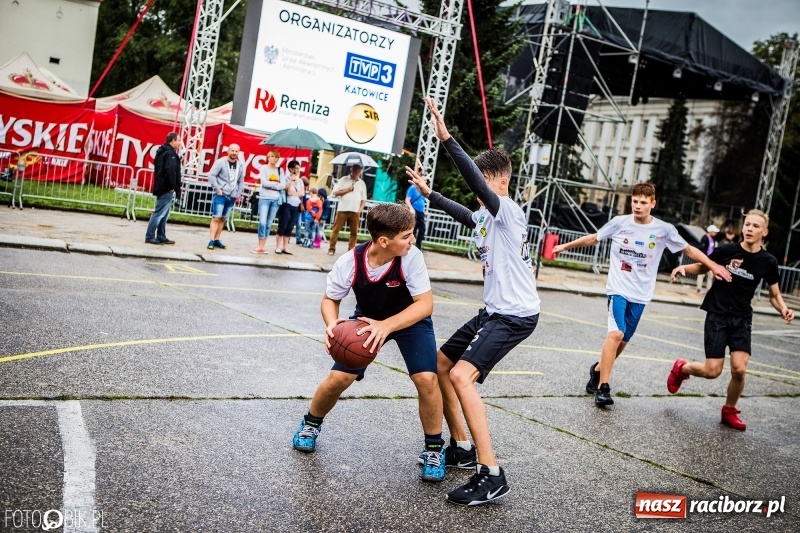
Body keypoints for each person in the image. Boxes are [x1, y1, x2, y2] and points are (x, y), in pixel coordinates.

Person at [405, 98, 541, 505]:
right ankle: (461, 448)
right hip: (493, 311)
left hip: (515, 316)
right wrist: (432, 194)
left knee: (462, 377)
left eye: (484, 182)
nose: (479, 190)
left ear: (501, 181)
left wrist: (446, 138)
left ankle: (492, 472)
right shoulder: (485, 216)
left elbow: (477, 190)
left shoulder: (509, 212)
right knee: (442, 365)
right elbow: (466, 213)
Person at [292, 203, 446, 482]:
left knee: (427, 379)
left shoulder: (411, 257)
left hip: (410, 320)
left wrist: (386, 326)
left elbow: (425, 305)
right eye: (407, 236)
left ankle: (434, 449)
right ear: (384, 241)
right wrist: (332, 325)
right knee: (339, 378)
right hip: (367, 318)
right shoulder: (350, 261)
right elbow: (330, 300)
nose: (413, 240)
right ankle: (310, 424)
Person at [552, 182, 732, 408]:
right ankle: (603, 388)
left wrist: (713, 266)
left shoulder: (663, 230)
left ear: (652, 204)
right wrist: (565, 247)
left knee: (623, 341)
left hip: (641, 294)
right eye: (635, 201)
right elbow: (593, 238)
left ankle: (597, 370)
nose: (638, 206)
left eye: (643, 202)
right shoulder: (619, 223)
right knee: (615, 334)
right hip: (618, 289)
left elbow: (690, 250)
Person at [668, 209, 793, 431]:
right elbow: (702, 266)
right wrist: (683, 268)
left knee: (739, 370)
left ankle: (729, 410)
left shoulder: (768, 261)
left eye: (755, 226)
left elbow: (774, 295)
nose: (749, 229)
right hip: (717, 313)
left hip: (742, 318)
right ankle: (682, 368)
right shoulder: (726, 250)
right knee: (712, 371)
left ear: (764, 231)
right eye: (747, 225)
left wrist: (783, 308)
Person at [206, 143, 245, 250]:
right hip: (221, 194)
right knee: (216, 218)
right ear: (228, 151)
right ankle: (211, 240)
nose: (234, 153)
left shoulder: (240, 165)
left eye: (236, 151)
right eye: (232, 150)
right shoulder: (220, 162)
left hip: (232, 195)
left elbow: (241, 180)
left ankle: (217, 239)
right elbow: (211, 175)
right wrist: (217, 189)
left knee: (223, 219)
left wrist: (238, 193)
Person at [145, 132, 181, 245]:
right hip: (166, 187)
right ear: (173, 141)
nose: (180, 143)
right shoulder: (170, 154)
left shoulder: (162, 151)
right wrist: (172, 186)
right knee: (159, 213)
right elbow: (170, 171)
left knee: (164, 214)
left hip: (161, 186)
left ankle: (161, 236)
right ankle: (150, 236)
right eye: (178, 140)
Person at [327, 164, 367, 256]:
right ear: (351, 170)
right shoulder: (343, 180)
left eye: (358, 172)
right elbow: (335, 193)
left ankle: (351, 250)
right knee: (336, 229)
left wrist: (360, 210)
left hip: (355, 211)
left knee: (354, 232)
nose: (357, 173)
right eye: (355, 171)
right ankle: (332, 248)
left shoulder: (361, 183)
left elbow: (363, 199)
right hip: (343, 209)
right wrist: (348, 190)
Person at [252, 150, 286, 254]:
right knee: (262, 222)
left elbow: (283, 184)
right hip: (264, 198)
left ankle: (262, 246)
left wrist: (272, 184)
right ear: (268, 157)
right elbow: (264, 182)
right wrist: (276, 184)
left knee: (268, 223)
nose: (273, 159)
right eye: (271, 156)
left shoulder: (280, 170)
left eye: (276, 157)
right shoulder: (264, 168)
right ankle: (259, 245)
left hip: (275, 199)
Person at [276, 160, 304, 255]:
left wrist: (295, 193)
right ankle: (278, 246)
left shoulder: (300, 181)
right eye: (296, 168)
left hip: (296, 206)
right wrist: (291, 182)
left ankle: (286, 246)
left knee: (290, 226)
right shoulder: (286, 179)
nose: (298, 170)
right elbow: (288, 191)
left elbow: (302, 193)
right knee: (283, 225)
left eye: (299, 168)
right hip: (287, 205)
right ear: (291, 169)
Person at [696, 224, 720, 294]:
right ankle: (699, 288)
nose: (715, 234)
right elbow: (701, 248)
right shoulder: (705, 238)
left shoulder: (713, 239)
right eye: (714, 232)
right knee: (701, 274)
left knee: (710, 276)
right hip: (704, 259)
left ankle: (708, 290)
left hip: (711, 260)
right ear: (710, 231)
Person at [405, 182, 427, 250]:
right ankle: (410, 246)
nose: (425, 181)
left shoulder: (422, 189)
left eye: (426, 180)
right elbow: (407, 199)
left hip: (421, 212)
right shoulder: (412, 188)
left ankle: (417, 246)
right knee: (413, 229)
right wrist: (411, 209)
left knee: (422, 229)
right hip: (414, 210)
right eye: (424, 180)